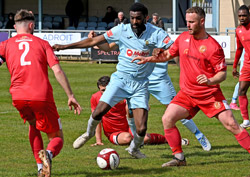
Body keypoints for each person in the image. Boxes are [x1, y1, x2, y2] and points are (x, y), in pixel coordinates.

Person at [132, 6, 250, 167]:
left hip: (209, 94)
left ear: (202, 22)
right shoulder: (183, 38)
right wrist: (149, 58)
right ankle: (179, 159)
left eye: (191, 22)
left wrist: (209, 80)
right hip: (187, 94)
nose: (188, 25)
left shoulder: (213, 46)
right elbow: (167, 55)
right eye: (187, 21)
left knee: (232, 125)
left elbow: (222, 74)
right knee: (167, 119)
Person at [53, 2, 173, 159]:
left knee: (142, 128)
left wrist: (162, 51)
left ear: (146, 18)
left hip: (141, 83)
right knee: (98, 112)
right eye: (132, 18)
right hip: (121, 79)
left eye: (138, 18)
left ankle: (134, 149)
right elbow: (93, 42)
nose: (135, 22)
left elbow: (174, 49)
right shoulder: (122, 29)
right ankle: (88, 133)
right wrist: (64, 47)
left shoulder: (156, 33)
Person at [87, 30, 211, 151]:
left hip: (158, 80)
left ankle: (198, 135)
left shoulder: (159, 34)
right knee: (131, 110)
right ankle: (136, 144)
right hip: (135, 80)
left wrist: (185, 70)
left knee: (178, 110)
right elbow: (108, 46)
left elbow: (175, 51)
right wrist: (96, 39)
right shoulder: (128, 32)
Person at [0, 9, 82, 177]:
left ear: (15, 27)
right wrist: (70, 96)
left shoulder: (5, 44)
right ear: (31, 25)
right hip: (41, 96)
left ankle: (40, 169)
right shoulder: (41, 43)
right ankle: (49, 154)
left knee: (33, 126)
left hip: (18, 97)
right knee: (57, 137)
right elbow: (57, 71)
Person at [91, 76, 189, 146]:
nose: (106, 92)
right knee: (127, 138)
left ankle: (170, 140)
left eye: (108, 89)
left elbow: (143, 108)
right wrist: (98, 140)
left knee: (145, 138)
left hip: (130, 128)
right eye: (103, 90)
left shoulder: (123, 95)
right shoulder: (96, 98)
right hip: (113, 133)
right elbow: (97, 121)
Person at [233, 5, 250, 128]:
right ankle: (246, 121)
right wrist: (234, 66)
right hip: (247, 65)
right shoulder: (238, 30)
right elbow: (239, 49)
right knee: (241, 90)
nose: (242, 18)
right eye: (240, 16)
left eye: (244, 15)